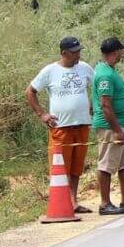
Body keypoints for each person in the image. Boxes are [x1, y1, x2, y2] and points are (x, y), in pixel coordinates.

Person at [26, 36, 95, 214]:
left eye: (79, 51)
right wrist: (42, 114)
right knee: (60, 166)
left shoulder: (85, 68)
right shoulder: (50, 71)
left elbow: (96, 87)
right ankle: (60, 202)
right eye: (74, 52)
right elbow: (30, 91)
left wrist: (93, 104)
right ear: (64, 53)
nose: (78, 55)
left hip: (82, 125)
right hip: (61, 127)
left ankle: (73, 201)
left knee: (77, 166)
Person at [91, 37, 124, 216]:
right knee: (106, 164)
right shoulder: (105, 74)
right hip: (110, 127)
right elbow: (106, 104)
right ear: (115, 52)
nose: (122, 54)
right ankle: (105, 203)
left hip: (120, 126)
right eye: (121, 50)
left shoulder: (108, 70)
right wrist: (116, 130)